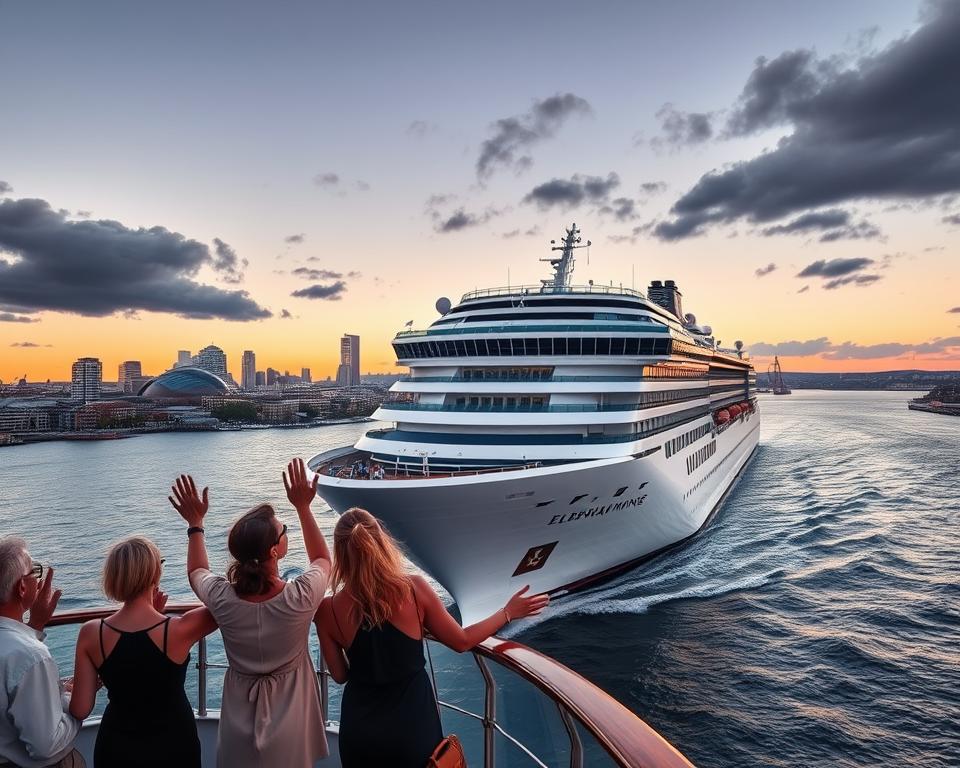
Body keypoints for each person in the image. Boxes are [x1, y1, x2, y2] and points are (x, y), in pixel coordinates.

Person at [315, 508, 549, 767]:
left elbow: (339, 675)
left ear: (341, 553)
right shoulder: (413, 590)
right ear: (381, 543)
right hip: (411, 729)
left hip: (360, 734)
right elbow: (461, 641)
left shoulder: (328, 610)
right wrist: (507, 612)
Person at [170, 458, 331, 768]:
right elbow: (323, 559)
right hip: (291, 728)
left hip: (237, 732)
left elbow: (197, 572)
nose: (286, 533)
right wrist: (303, 507)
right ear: (274, 551)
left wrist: (195, 523)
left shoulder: (223, 599)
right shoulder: (300, 597)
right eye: (283, 530)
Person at [69, 537, 218, 768]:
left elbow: (80, 708)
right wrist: (195, 524)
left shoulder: (92, 633)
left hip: (117, 747)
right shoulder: (178, 630)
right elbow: (223, 601)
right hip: (174, 745)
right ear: (154, 574)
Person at [0, 536, 84, 768]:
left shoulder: (21, 651)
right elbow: (45, 746)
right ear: (22, 587)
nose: (39, 579)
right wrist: (73, 702)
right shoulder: (31, 656)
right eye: (35, 572)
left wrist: (35, 625)